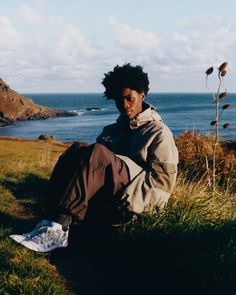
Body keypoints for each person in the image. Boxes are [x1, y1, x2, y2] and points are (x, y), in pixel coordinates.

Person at [10, 63, 178, 252]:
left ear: (142, 95)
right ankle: (51, 220)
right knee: (78, 149)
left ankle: (59, 229)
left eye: (129, 98)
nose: (124, 105)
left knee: (97, 152)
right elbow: (89, 170)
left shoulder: (159, 132)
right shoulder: (112, 131)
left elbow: (162, 182)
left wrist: (127, 204)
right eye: (118, 99)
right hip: (106, 196)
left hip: (131, 202)